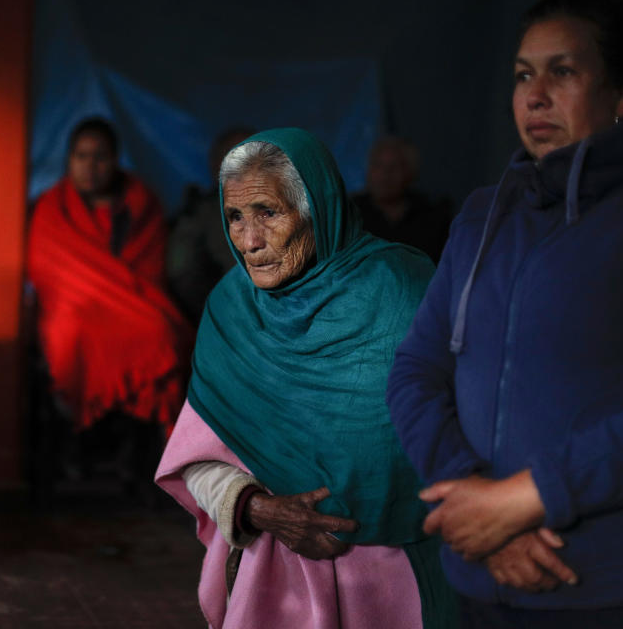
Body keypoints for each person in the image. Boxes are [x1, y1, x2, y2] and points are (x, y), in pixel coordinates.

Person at [387, 0, 623, 626]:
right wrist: (478, 506)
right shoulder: (481, 214)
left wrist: (530, 498)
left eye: (563, 71)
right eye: (523, 75)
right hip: (479, 575)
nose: (535, 96)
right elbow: (415, 371)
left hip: (606, 582)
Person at [156, 128, 454, 628]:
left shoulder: (406, 292)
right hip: (273, 581)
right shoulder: (231, 312)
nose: (249, 242)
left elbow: (464, 432)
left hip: (400, 579)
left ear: (319, 206)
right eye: (235, 217)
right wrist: (258, 509)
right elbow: (197, 460)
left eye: (268, 213)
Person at [26, 118, 190, 483]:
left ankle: (136, 447)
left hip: (131, 301)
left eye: (100, 156)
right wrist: (95, 293)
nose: (90, 165)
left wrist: (115, 295)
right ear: (69, 160)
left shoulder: (139, 202)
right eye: (82, 156)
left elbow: (149, 267)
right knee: (71, 334)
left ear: (116, 159)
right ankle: (79, 441)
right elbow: (48, 270)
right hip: (73, 303)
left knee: (159, 331)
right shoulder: (54, 207)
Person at [166, 127, 254, 324]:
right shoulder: (200, 215)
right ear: (216, 166)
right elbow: (183, 273)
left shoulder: (288, 206)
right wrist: (219, 312)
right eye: (237, 158)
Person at [350, 136, 451, 262]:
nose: (385, 175)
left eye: (394, 167)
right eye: (378, 165)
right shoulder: (351, 213)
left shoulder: (432, 217)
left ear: (410, 173)